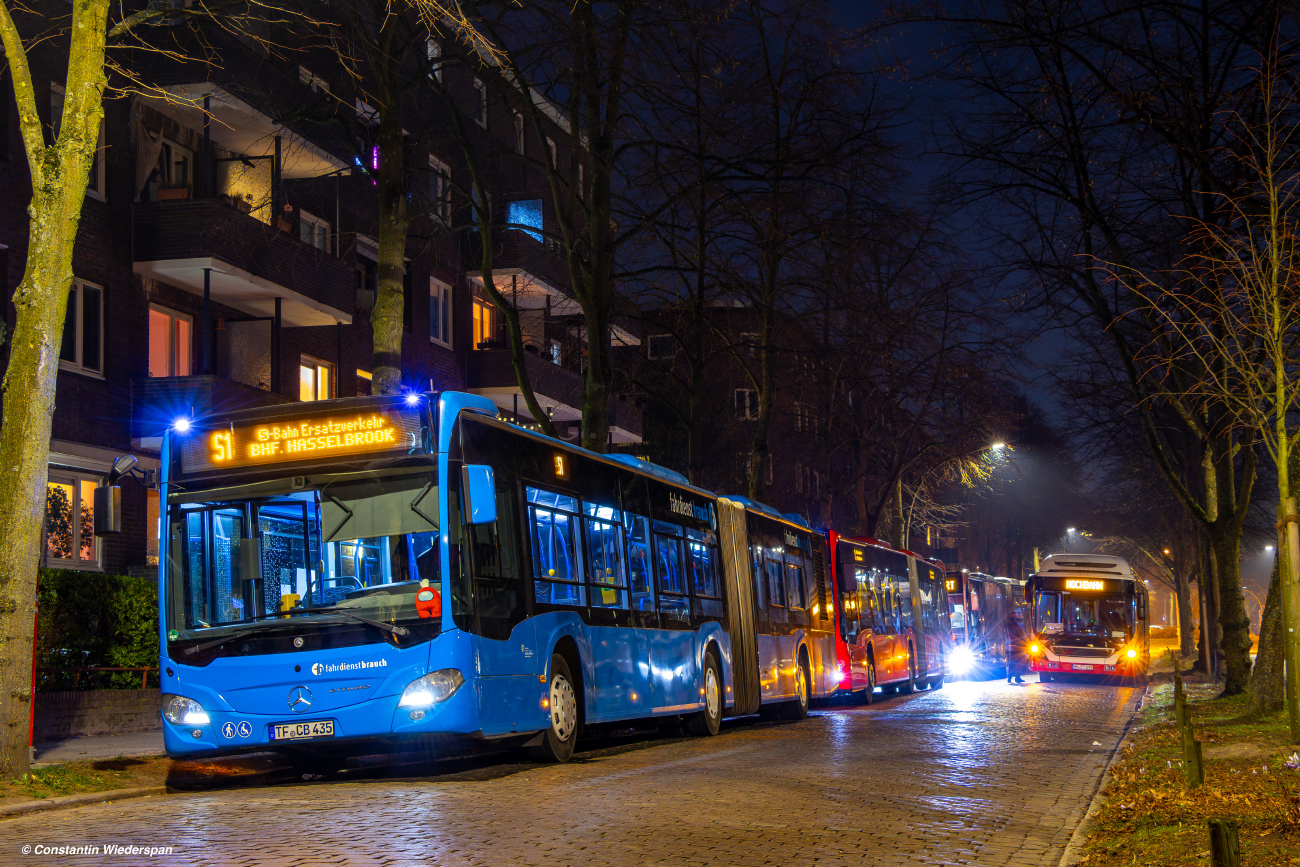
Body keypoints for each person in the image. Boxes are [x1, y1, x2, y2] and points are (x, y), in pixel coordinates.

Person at [1005, 610, 1028, 684]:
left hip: (1013, 645)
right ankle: (1016, 677)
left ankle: (1011, 677)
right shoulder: (1017, 624)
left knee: (1013, 662)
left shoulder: (1010, 624)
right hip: (1018, 645)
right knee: (1019, 662)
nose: (1020, 615)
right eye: (1018, 614)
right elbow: (1022, 634)